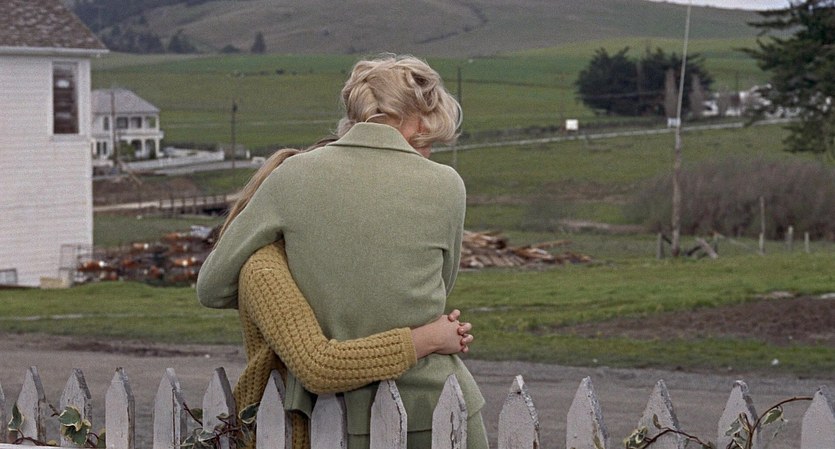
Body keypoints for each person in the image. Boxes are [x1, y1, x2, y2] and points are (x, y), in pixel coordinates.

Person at [197, 54, 488, 448]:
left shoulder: (293, 176)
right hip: (437, 406)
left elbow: (212, 287)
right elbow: (438, 287)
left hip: (328, 416)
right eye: (430, 141)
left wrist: (297, 271)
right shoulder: (447, 184)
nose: (428, 152)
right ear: (420, 122)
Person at [221, 146, 475, 449]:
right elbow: (319, 366)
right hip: (286, 428)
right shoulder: (263, 269)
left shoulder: (317, 260)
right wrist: (428, 339)